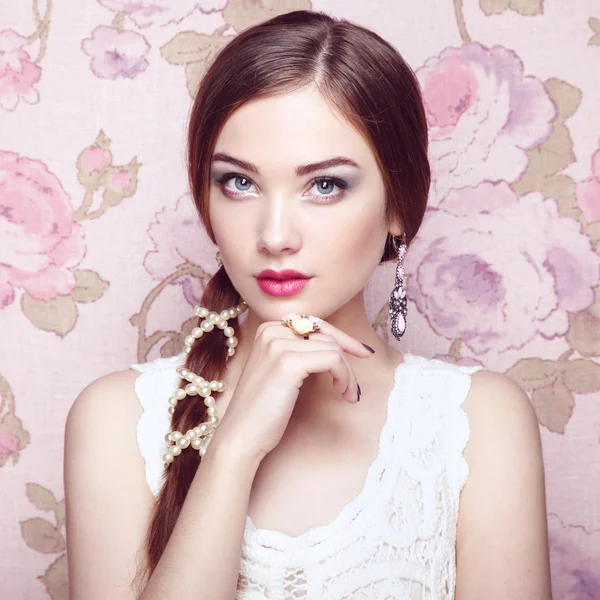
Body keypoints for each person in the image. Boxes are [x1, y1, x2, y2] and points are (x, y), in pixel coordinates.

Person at [63, 9, 552, 600]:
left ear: (399, 205)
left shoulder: (477, 422)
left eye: (325, 185)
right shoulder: (117, 419)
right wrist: (234, 449)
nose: (273, 235)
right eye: (239, 183)